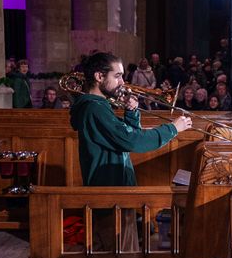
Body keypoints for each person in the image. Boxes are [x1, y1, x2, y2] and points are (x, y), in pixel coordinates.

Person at [69, 52, 192, 186]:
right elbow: (131, 141)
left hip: (116, 189)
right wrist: (172, 129)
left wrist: (131, 111)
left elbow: (128, 136)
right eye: (117, 76)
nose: (123, 82)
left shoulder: (99, 106)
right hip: (108, 193)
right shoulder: (94, 108)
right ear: (99, 76)